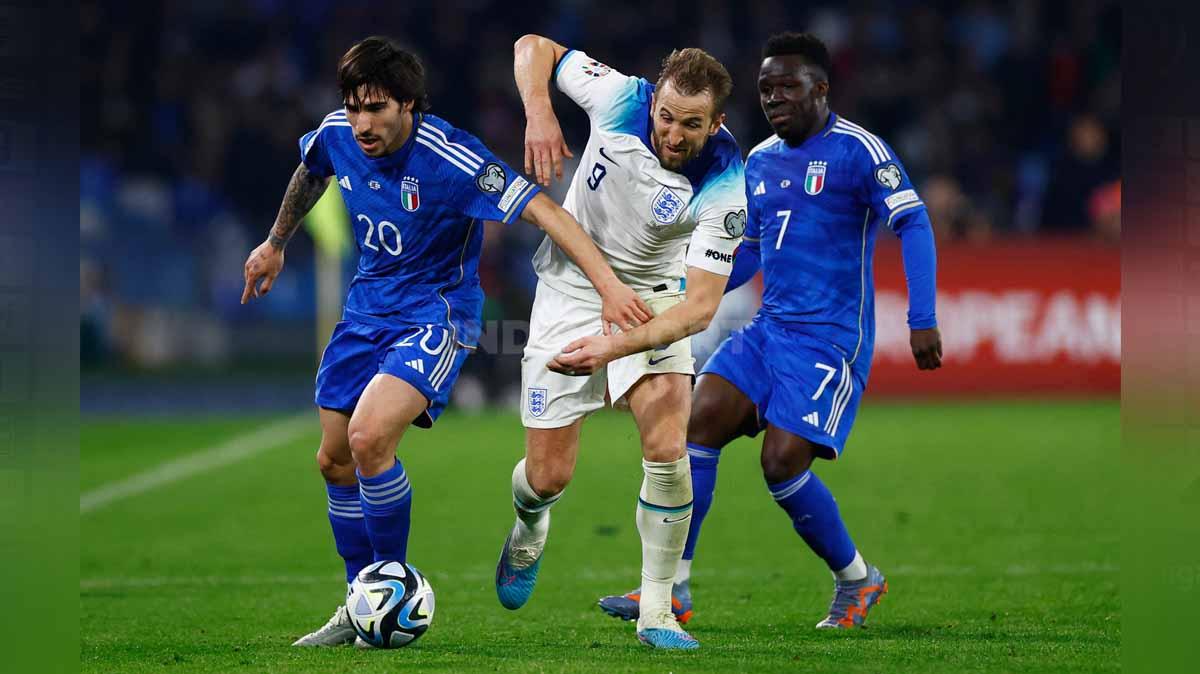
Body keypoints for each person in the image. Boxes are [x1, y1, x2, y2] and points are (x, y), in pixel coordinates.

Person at [240, 35, 650, 648]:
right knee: (333, 459)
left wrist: (610, 288)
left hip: (436, 313)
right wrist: (275, 242)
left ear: (409, 105)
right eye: (353, 106)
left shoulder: (452, 158)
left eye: (376, 108)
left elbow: (546, 212)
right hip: (364, 310)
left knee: (369, 436)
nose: (361, 123)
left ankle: (391, 585)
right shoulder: (337, 133)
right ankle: (359, 601)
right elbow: (311, 170)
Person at [598, 31, 943, 630]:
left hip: (830, 339)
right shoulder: (757, 162)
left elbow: (912, 224)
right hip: (769, 329)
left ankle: (858, 580)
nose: (775, 97)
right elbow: (751, 253)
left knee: (781, 463)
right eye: (766, 89)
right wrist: (684, 294)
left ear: (821, 89)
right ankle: (672, 587)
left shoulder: (859, 151)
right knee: (697, 423)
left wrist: (922, 318)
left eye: (787, 86)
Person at [493, 35, 747, 650]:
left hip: (654, 299)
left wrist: (615, 346)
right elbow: (533, 47)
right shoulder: (617, 96)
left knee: (668, 446)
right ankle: (529, 523)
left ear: (717, 122)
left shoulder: (725, 183)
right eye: (666, 116)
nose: (674, 133)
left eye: (692, 123)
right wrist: (539, 109)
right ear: (652, 98)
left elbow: (700, 308)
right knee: (549, 475)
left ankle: (657, 611)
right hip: (569, 288)